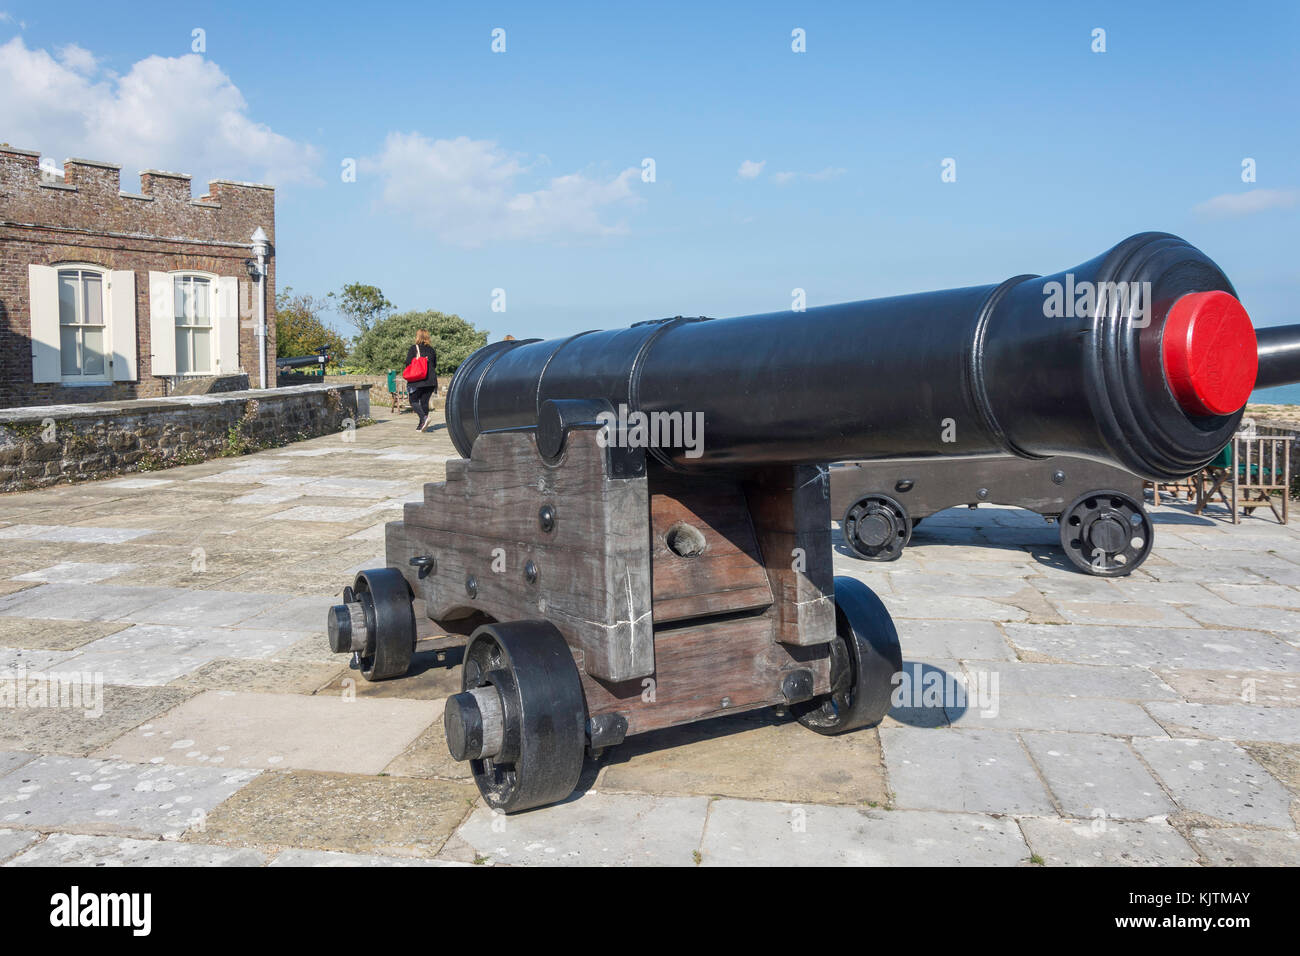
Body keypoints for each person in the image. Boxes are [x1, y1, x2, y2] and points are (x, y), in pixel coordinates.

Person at [405, 330, 439, 431]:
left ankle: (424, 418)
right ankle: (422, 425)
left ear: (418, 337)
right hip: (431, 380)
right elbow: (434, 365)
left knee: (413, 400)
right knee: (424, 402)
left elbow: (408, 363)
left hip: (418, 380)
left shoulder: (414, 348)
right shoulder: (432, 350)